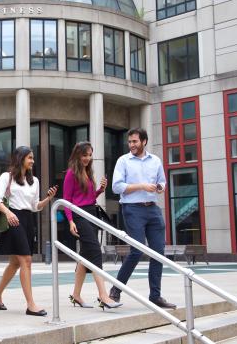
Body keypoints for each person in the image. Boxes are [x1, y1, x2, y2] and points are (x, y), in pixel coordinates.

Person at [110, 128, 176, 309]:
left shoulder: (155, 161)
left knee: (158, 253)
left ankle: (155, 296)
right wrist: (141, 186)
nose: (131, 145)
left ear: (144, 142)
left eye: (135, 142)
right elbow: (116, 187)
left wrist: (160, 187)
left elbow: (162, 181)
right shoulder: (123, 161)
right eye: (130, 142)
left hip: (153, 210)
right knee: (136, 251)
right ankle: (115, 290)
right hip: (132, 209)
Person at [0, 146, 57, 316]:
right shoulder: (7, 177)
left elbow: (35, 207)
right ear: (20, 158)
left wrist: (48, 199)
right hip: (13, 218)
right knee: (26, 260)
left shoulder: (34, 180)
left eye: (33, 158)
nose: (32, 161)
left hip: (28, 221)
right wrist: (8, 212)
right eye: (30, 158)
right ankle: (31, 304)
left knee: (15, 263)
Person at [63, 142, 122, 310]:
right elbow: (67, 200)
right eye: (84, 155)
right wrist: (70, 221)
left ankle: (76, 295)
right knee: (95, 251)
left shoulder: (87, 172)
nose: (88, 158)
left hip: (91, 214)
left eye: (90, 155)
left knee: (85, 255)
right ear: (77, 155)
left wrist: (100, 190)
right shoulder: (70, 173)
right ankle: (103, 296)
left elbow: (88, 198)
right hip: (79, 216)